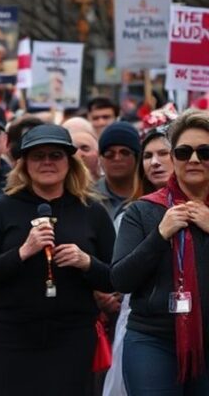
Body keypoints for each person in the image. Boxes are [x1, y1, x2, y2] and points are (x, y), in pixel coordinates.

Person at [0, 124, 116, 396]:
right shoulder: (1, 208)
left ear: (69, 162)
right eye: (38, 155)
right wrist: (22, 252)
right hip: (8, 335)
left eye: (55, 155)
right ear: (24, 164)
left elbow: (116, 277)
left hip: (71, 335)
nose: (47, 161)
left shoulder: (92, 211)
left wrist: (86, 262)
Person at [111, 110, 209, 394]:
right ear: (173, 158)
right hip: (152, 341)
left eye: (205, 152)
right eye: (183, 152)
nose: (193, 159)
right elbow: (120, 280)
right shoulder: (142, 211)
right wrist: (159, 235)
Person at [102, 125, 174, 396]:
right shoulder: (132, 213)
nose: (155, 162)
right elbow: (120, 276)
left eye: (164, 153)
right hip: (145, 326)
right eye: (148, 155)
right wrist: (159, 235)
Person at [97, 122, 140, 219]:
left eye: (125, 152)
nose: (117, 158)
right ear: (100, 158)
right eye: (109, 153)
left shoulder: (150, 194)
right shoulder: (87, 198)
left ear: (137, 157)